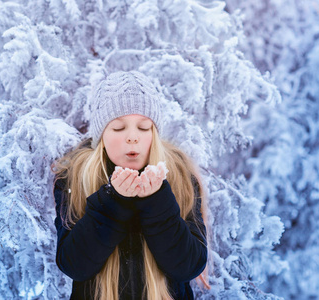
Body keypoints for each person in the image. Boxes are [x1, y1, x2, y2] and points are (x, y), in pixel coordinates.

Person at [52, 71, 209, 300]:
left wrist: (158, 202)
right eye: (118, 128)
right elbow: (74, 265)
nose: (132, 137)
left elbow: (188, 266)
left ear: (154, 133)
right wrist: (112, 202)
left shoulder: (179, 175)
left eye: (144, 127)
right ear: (102, 134)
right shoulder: (74, 177)